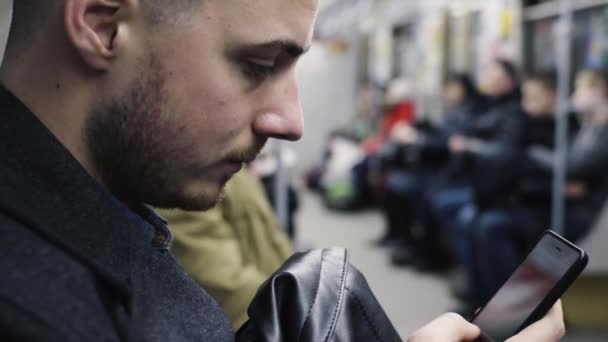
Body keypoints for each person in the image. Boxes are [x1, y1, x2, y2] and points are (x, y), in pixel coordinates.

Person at [0, 0, 564, 341]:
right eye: (258, 65)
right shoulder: (44, 317)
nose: (292, 122)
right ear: (102, 26)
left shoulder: (105, 224)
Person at [466, 69, 608, 307]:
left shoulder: (598, 129)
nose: (574, 95)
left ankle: (510, 307)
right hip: (556, 199)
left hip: (575, 209)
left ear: (600, 92)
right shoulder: (589, 125)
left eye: (581, 88)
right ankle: (496, 303)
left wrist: (532, 154)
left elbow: (570, 166)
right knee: (485, 222)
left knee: (492, 226)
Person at [158, 168, 294, 330]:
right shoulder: (186, 176)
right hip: (251, 325)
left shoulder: (234, 168)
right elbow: (224, 285)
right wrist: (293, 313)